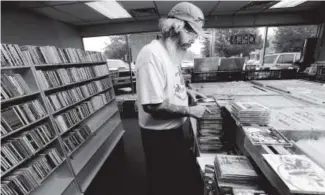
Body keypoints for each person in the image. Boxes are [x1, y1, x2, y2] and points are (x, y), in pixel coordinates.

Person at [135, 2, 208, 195]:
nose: (194, 39)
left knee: (176, 180)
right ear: (177, 26)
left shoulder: (170, 52)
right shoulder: (151, 54)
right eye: (192, 33)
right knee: (163, 184)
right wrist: (190, 110)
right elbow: (153, 106)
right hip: (159, 137)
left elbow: (171, 81)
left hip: (173, 130)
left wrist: (186, 93)